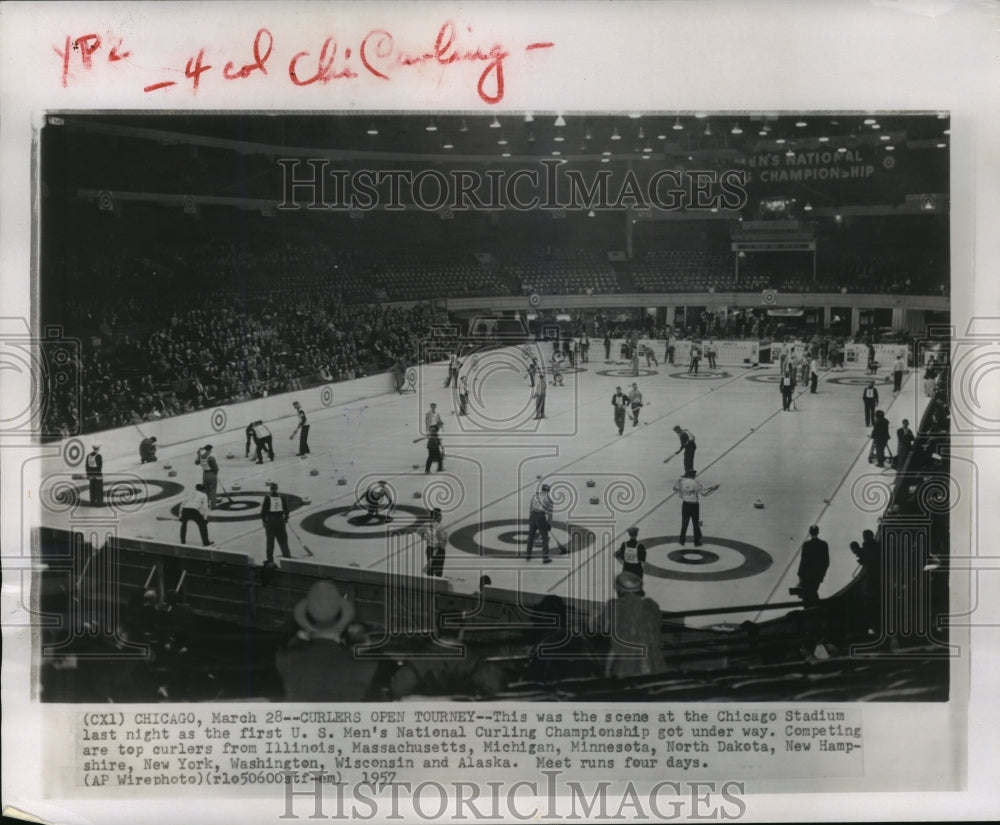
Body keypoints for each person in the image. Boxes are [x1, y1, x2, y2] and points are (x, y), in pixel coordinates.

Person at [274, 580, 377, 701]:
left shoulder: (285, 658)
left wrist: (300, 638)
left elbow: (292, 648)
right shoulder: (364, 666)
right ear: (342, 623)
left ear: (308, 622)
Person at [599, 571, 667, 679]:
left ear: (619, 589)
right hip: (655, 664)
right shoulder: (652, 606)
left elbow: (605, 631)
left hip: (625, 668)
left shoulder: (614, 606)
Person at [673, 469, 715, 547]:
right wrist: (712, 489)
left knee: (684, 523)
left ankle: (682, 540)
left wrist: (682, 493)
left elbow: (675, 488)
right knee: (695, 524)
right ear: (693, 475)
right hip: (694, 505)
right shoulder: (695, 483)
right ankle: (697, 542)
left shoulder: (681, 481)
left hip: (685, 504)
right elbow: (704, 493)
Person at [794, 525, 829, 607]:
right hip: (817, 576)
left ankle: (813, 611)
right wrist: (822, 575)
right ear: (818, 532)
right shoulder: (823, 544)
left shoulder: (806, 545)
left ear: (810, 533)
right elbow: (826, 562)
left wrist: (800, 575)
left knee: (807, 596)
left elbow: (803, 561)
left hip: (807, 576)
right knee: (813, 593)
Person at [260, 481, 292, 565]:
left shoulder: (268, 497)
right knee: (283, 540)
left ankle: (270, 559)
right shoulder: (282, 497)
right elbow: (287, 509)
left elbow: (263, 511)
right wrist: (286, 518)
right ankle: (287, 557)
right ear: (277, 489)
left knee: (270, 541)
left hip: (271, 521)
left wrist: (264, 521)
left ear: (270, 489)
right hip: (280, 520)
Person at [525, 483, 554, 563]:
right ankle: (545, 558)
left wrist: (530, 519)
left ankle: (528, 555)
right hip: (541, 517)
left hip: (532, 516)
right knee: (545, 538)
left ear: (542, 489)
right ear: (548, 490)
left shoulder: (535, 495)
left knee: (531, 537)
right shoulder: (549, 499)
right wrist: (549, 524)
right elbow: (550, 514)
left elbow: (530, 508)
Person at [417, 507, 448, 577]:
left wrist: (426, 537)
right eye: (440, 515)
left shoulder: (428, 524)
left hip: (429, 549)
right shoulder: (440, 527)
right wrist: (440, 545)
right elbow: (444, 540)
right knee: (438, 570)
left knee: (430, 568)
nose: (441, 517)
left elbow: (418, 530)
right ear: (437, 517)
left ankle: (429, 583)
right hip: (438, 550)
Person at [179, 483, 212, 547]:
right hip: (194, 510)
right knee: (202, 525)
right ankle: (206, 542)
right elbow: (205, 507)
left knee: (183, 524)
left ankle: (182, 541)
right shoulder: (204, 495)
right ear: (203, 490)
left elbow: (182, 504)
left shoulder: (190, 493)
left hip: (185, 509)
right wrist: (205, 518)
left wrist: (180, 516)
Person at [195, 444, 220, 509]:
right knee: (213, 490)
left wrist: (198, 454)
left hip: (205, 474)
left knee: (205, 490)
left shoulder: (201, 457)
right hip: (212, 474)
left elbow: (196, 463)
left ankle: (205, 504)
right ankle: (213, 506)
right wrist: (215, 474)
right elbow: (216, 468)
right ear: (210, 450)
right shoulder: (211, 457)